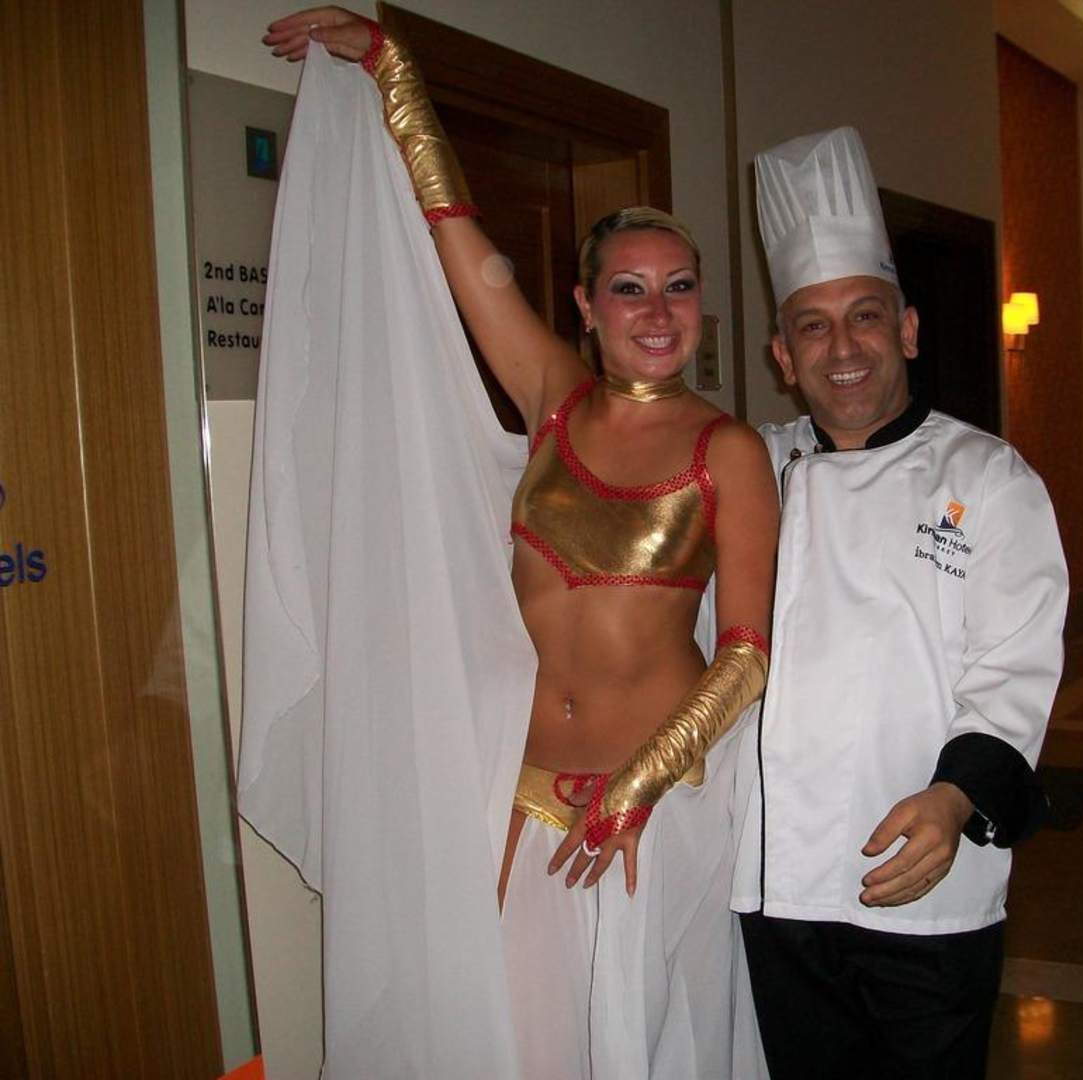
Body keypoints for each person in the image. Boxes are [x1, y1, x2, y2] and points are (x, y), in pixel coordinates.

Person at [263, 9, 779, 1077]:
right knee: (519, 1046)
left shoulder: (728, 449)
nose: (657, 311)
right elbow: (457, 239)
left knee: (639, 1049)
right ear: (586, 306)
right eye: (629, 288)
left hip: (652, 806)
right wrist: (393, 69)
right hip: (517, 785)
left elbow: (746, 655)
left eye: (679, 287)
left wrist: (641, 784)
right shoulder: (554, 399)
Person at [731, 127, 1068, 1079]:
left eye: (866, 316)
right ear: (782, 354)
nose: (842, 347)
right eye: (812, 326)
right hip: (775, 886)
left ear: (908, 330)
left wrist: (958, 797)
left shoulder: (989, 478)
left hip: (926, 887)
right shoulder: (750, 470)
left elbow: (1015, 671)